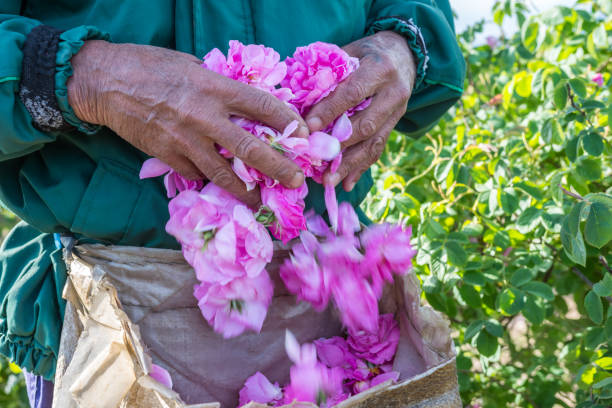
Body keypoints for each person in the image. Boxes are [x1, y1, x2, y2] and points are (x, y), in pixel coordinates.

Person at [0, 1, 465, 406]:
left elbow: (416, 8)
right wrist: (90, 80)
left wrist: (404, 47)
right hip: (111, 311)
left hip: (329, 294)